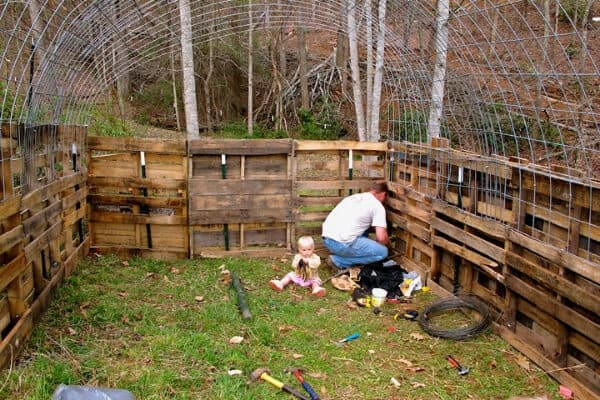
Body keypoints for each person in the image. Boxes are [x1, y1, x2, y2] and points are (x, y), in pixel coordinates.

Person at [322, 181, 390, 269]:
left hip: (327, 239)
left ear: (372, 190)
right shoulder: (377, 206)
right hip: (341, 244)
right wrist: (388, 244)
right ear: (383, 194)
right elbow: (381, 238)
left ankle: (346, 254)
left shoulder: (354, 197)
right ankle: (338, 261)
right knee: (383, 252)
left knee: (363, 226)